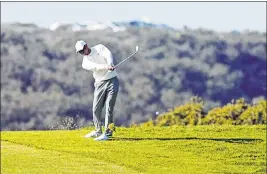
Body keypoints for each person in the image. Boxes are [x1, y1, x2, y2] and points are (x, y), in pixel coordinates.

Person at [75, 40, 119, 141]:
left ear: (86, 46)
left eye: (82, 50)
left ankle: (108, 133)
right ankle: (98, 130)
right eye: (80, 52)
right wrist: (106, 66)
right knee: (96, 109)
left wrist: (110, 63)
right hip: (100, 83)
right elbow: (96, 67)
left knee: (109, 108)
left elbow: (108, 54)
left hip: (112, 80)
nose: (82, 53)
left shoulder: (99, 47)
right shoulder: (85, 63)